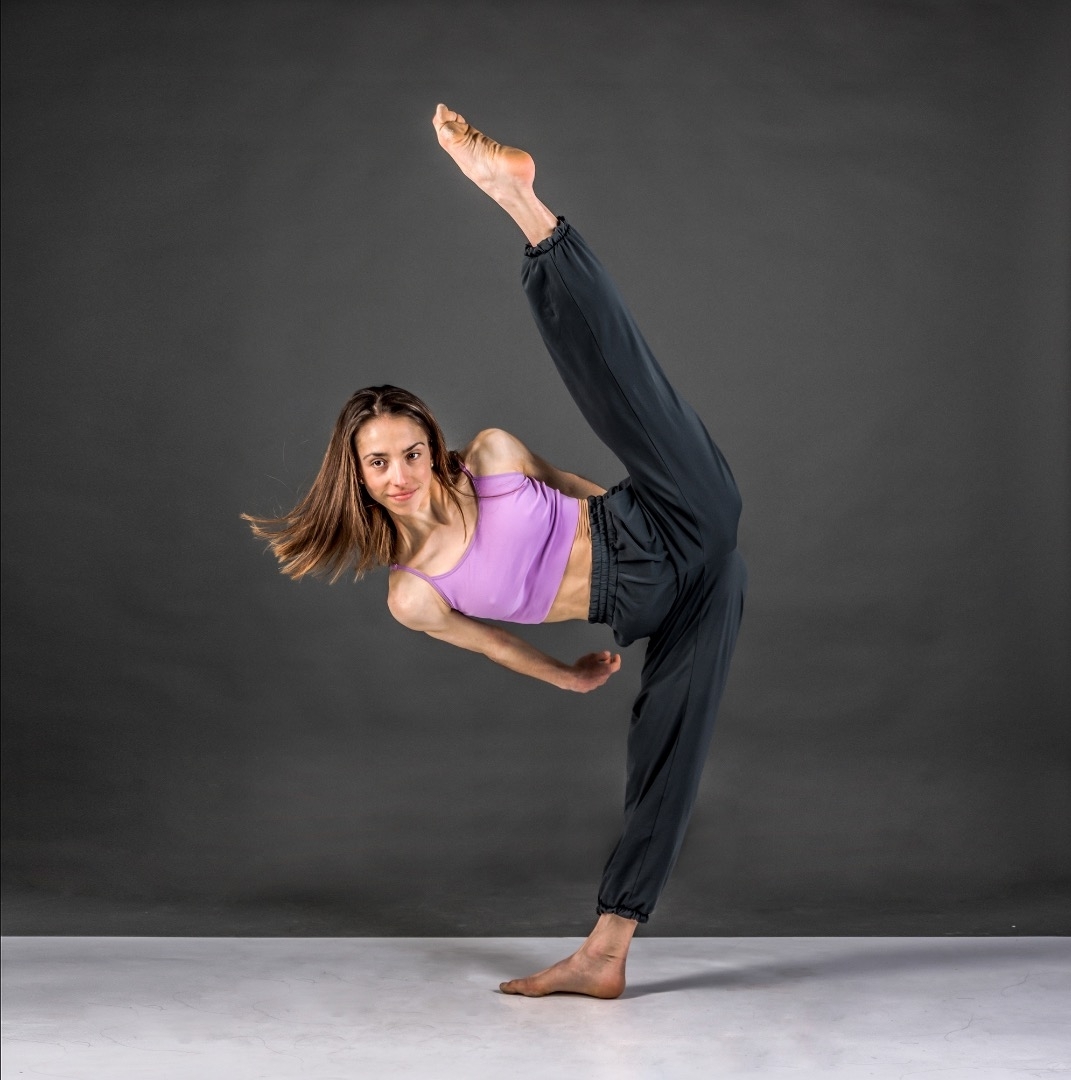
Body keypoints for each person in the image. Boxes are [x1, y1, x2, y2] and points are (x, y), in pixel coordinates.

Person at [245, 105, 747, 998]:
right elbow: (495, 646)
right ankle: (605, 953)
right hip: (673, 601)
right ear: (355, 475)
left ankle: (524, 208)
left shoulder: (492, 458)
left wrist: (643, 516)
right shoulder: (414, 595)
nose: (399, 474)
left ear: (429, 444)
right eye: (378, 463)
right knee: (664, 758)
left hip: (661, 519)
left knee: (622, 388)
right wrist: (568, 677)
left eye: (408, 452)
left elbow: (586, 488)